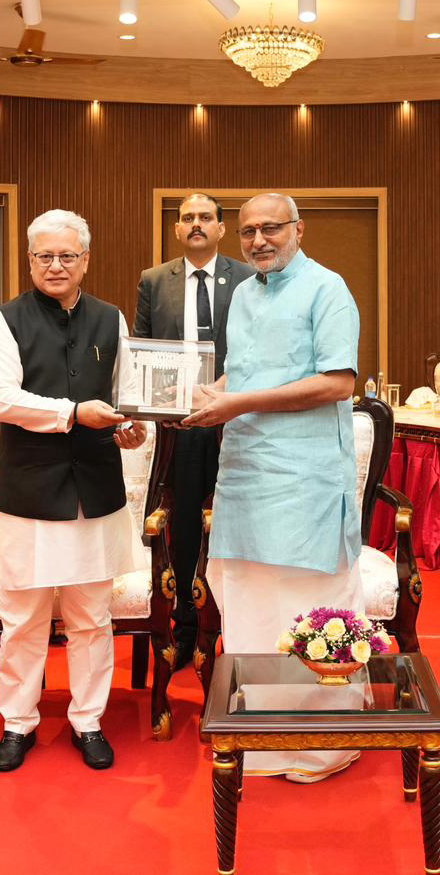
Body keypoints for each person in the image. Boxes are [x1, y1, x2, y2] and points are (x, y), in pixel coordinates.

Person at [184, 192, 364, 782]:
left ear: (299, 229)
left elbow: (337, 382)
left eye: (271, 229)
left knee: (307, 607)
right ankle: (261, 737)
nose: (259, 240)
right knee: (252, 605)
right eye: (248, 232)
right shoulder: (241, 295)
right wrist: (207, 393)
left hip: (306, 479)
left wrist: (239, 402)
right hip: (247, 473)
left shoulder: (328, 289)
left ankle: (322, 746)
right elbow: (246, 370)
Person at [0, 209, 149, 773]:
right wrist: (75, 413)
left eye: (67, 256)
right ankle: (18, 722)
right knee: (23, 618)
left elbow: (127, 392)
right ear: (29, 260)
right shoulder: (5, 320)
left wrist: (131, 425)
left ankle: (89, 720)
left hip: (94, 492)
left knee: (90, 617)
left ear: (85, 261)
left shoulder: (111, 319)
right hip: (31, 493)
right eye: (44, 256)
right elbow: (1, 399)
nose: (55, 265)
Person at [133, 193, 253, 668]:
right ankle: (183, 625)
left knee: (232, 523)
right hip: (177, 427)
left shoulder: (246, 278)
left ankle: (232, 628)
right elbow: (142, 351)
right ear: (178, 230)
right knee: (182, 527)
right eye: (188, 219)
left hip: (236, 423)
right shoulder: (154, 281)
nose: (196, 225)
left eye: (206, 217)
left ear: (222, 228)